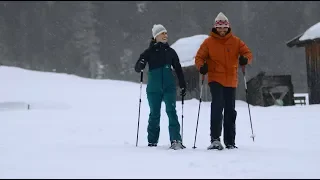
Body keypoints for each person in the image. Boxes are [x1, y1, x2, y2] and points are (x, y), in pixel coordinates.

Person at [195, 12, 253, 150]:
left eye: (224, 27)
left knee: (230, 111)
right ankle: (215, 139)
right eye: (219, 28)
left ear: (228, 27)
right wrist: (201, 67)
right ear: (215, 28)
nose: (222, 30)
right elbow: (199, 57)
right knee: (217, 106)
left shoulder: (236, 41)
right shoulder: (208, 42)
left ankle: (230, 141)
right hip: (215, 78)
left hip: (231, 80)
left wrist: (245, 59)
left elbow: (248, 53)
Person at [134, 24, 187, 150]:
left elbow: (178, 69)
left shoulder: (171, 52)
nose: (165, 35)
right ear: (155, 36)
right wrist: (141, 63)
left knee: (171, 112)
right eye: (162, 33)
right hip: (154, 88)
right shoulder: (149, 52)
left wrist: (183, 84)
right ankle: (152, 142)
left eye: (166, 33)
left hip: (169, 87)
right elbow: (137, 68)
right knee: (154, 114)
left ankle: (175, 140)